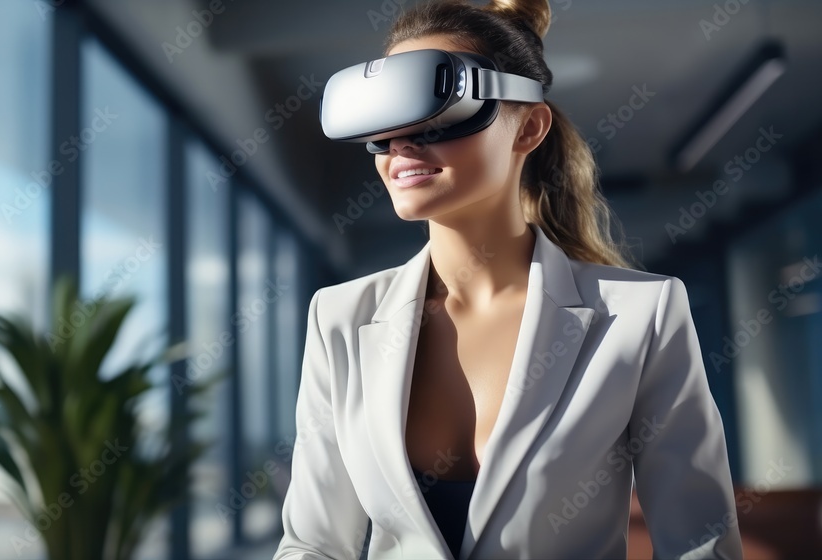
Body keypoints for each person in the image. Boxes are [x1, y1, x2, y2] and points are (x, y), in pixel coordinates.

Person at [274, 1, 743, 558]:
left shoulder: (643, 314)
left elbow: (700, 542)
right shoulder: (339, 317)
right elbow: (313, 544)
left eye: (438, 110)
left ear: (529, 127)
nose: (401, 142)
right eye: (385, 119)